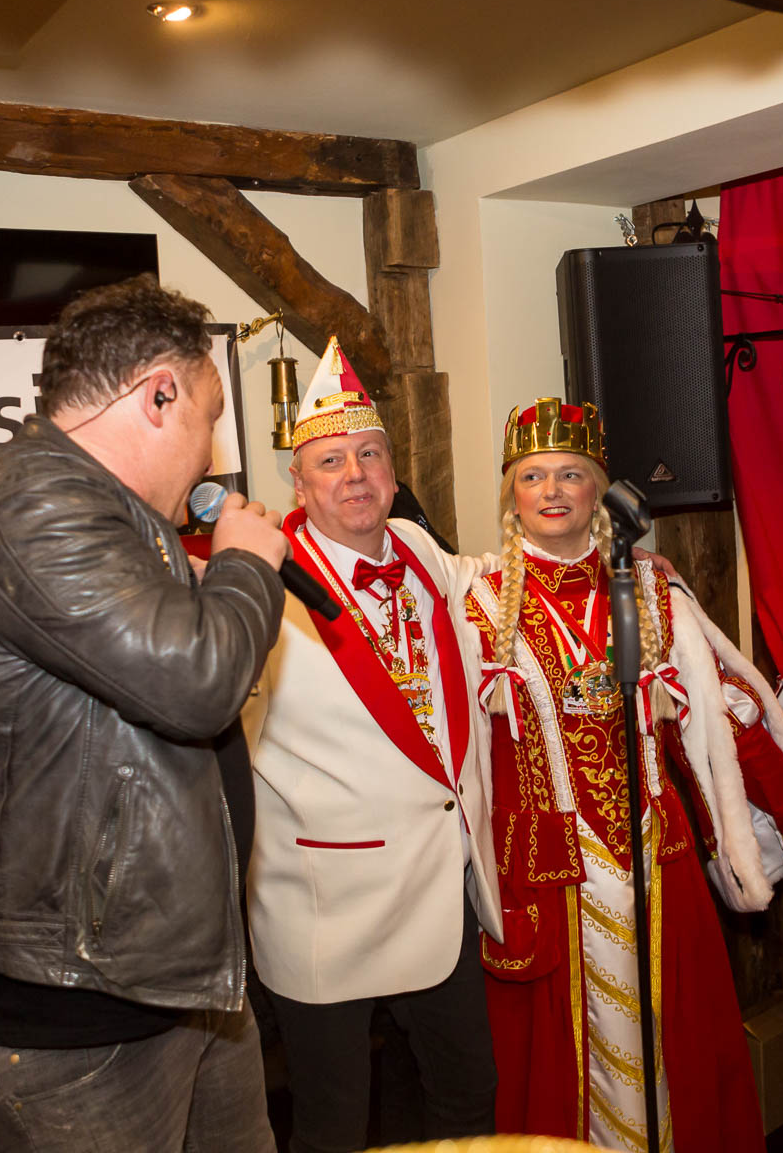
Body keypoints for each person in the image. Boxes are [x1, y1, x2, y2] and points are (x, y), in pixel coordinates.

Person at [0, 277, 291, 1153]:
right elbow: (199, 682)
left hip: (162, 980)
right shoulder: (34, 503)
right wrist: (247, 566)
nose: (212, 454)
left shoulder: (112, 515)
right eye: (210, 417)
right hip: (59, 1014)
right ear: (159, 394)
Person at [462, 397, 783, 1152]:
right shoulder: (472, 600)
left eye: (571, 473)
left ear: (599, 489)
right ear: (511, 493)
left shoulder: (650, 593)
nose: (552, 490)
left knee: (676, 1043)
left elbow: (728, 718)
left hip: (655, 865)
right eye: (533, 475)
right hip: (544, 877)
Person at [243, 337, 501, 1153]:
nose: (354, 474)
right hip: (324, 903)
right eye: (330, 461)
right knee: (333, 1123)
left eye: (370, 455)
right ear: (299, 483)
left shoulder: (420, 549)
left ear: (393, 472)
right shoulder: (260, 584)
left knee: (467, 1096)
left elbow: (500, 581)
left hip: (442, 890)